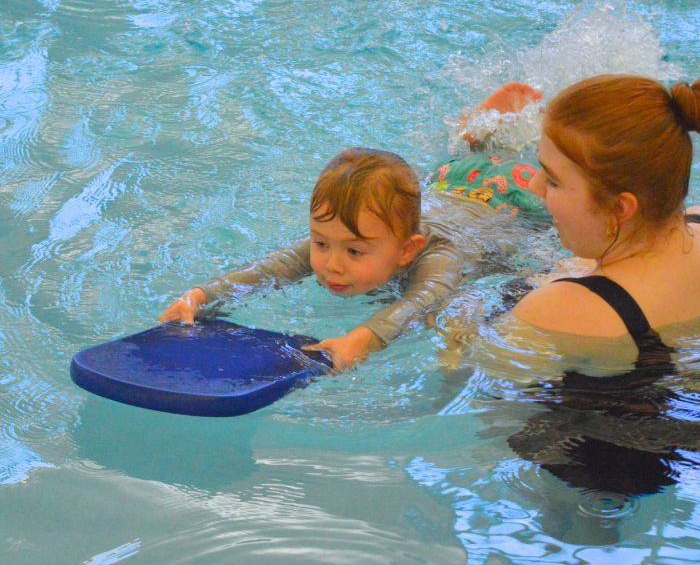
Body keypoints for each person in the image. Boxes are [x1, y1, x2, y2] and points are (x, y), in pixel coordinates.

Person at [159, 84, 546, 370]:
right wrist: (200, 297)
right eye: (321, 243)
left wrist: (360, 339)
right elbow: (269, 269)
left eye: (354, 251)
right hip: (447, 185)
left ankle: (489, 129)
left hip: (509, 201)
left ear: (407, 250)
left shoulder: (439, 256)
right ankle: (482, 135)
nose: (332, 265)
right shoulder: (341, 235)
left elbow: (422, 300)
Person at [511, 74, 700, 351]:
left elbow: (462, 363)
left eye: (553, 181)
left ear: (620, 208)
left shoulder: (559, 311)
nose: (533, 185)